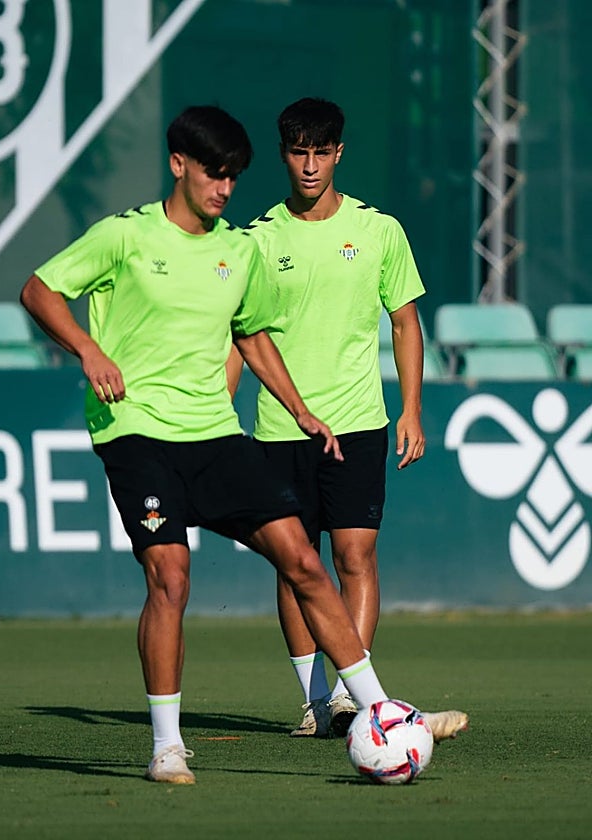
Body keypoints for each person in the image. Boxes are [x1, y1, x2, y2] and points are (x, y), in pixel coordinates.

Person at [20, 104, 440, 785]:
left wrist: (300, 410)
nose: (223, 188)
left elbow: (252, 335)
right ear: (179, 163)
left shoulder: (237, 249)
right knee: (172, 576)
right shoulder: (124, 237)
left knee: (303, 556)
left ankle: (376, 711)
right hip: (137, 432)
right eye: (214, 173)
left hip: (215, 432)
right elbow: (39, 290)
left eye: (233, 178)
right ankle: (166, 747)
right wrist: (88, 349)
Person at [237, 97, 466, 742]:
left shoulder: (379, 232)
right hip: (281, 427)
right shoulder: (258, 239)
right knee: (294, 562)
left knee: (355, 554)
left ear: (339, 154)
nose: (309, 165)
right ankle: (315, 701)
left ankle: (349, 696)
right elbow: (240, 336)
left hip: (360, 420)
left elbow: (405, 321)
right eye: (297, 151)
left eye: (320, 151)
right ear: (284, 156)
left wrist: (412, 409)